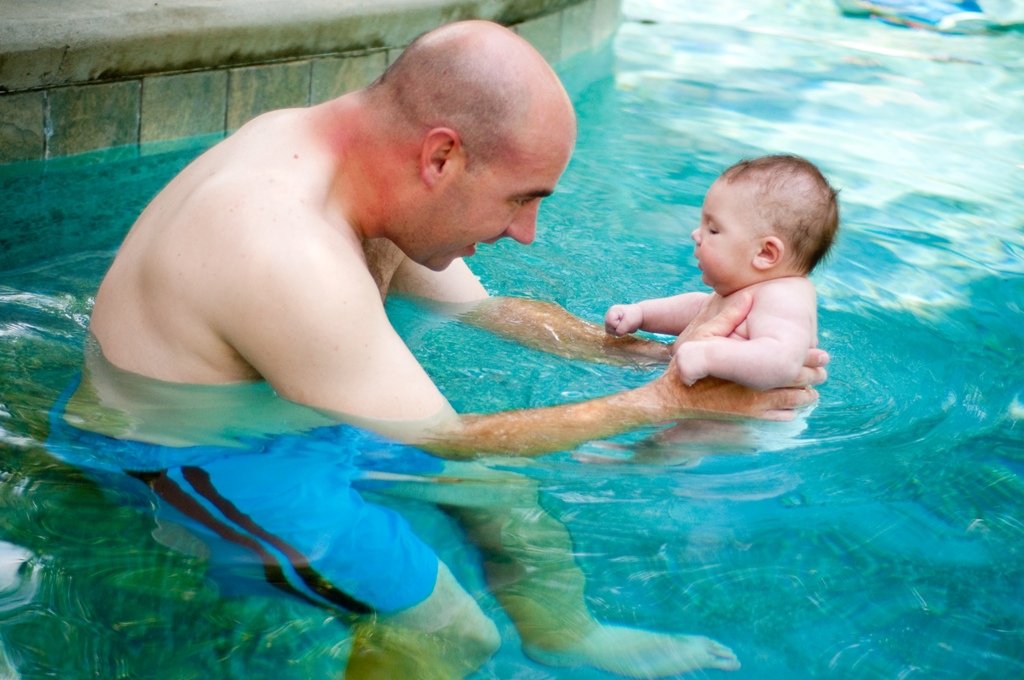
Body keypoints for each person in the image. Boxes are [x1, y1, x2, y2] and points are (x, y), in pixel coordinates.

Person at [54, 20, 829, 679]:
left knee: (503, 497)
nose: (526, 232)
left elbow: (487, 308)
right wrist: (669, 401)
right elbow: (448, 439)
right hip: (185, 455)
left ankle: (564, 634)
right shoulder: (283, 248)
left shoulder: (359, 165)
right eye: (521, 199)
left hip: (291, 418)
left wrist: (659, 354)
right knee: (455, 635)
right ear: (442, 157)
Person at [606, 154, 839, 391]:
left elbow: (782, 361)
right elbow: (698, 309)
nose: (696, 234)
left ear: (765, 253)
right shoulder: (745, 290)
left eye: (713, 229)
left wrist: (708, 356)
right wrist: (641, 314)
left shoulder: (783, 297)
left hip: (739, 415)